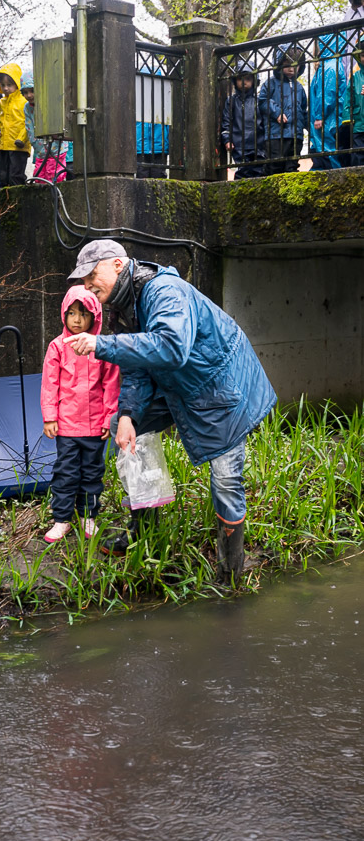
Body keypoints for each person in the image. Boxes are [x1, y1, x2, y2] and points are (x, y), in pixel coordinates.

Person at [64, 240, 277, 585]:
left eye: (91, 275)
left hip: (221, 385)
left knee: (225, 478)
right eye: (82, 279)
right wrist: (129, 415)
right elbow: (134, 366)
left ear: (118, 264)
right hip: (176, 382)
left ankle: (230, 572)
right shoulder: (121, 306)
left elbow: (171, 347)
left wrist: (101, 344)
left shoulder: (165, 291)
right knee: (132, 432)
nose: (86, 286)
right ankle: (141, 532)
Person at [40, 285, 120, 543]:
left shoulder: (103, 347)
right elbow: (49, 384)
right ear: (64, 314)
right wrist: (50, 416)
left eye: (83, 314)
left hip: (95, 426)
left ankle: (88, 515)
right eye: (72, 313)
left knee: (92, 472)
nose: (76, 319)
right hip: (66, 426)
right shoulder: (57, 347)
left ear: (94, 317)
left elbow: (111, 385)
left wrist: (109, 417)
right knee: (66, 472)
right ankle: (62, 519)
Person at [258, 46, 307, 174]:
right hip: (276, 134)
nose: (291, 69)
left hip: (296, 134)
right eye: (287, 65)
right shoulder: (270, 83)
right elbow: (263, 100)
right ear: (279, 65)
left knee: (292, 166)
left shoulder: (299, 87)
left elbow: (303, 109)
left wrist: (308, 126)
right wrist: (276, 112)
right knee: (275, 165)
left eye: (295, 65)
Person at [221, 61, 266, 179]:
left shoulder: (259, 100)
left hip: (258, 144)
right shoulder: (232, 101)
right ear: (235, 81)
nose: (244, 82)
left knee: (259, 172)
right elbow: (226, 122)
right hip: (239, 144)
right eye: (240, 79)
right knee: (243, 171)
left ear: (253, 81)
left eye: (247, 79)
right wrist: (227, 139)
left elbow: (264, 122)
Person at [309, 33, 348, 170]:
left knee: (328, 153)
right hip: (327, 119)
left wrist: (319, 116)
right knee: (324, 153)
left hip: (327, 121)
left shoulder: (329, 67)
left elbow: (326, 94)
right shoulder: (329, 65)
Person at [21, 69, 68, 183]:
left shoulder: (49, 102)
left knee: (54, 173)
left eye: (32, 91)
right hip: (40, 148)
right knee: (40, 174)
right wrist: (35, 143)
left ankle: (56, 195)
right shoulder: (27, 107)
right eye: (25, 92)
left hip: (57, 147)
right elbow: (29, 127)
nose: (29, 95)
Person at [0, 61, 30, 186]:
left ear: (17, 83)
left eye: (9, 84)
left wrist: (21, 139)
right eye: (2, 85)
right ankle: (7, 201)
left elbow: (28, 122)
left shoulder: (24, 101)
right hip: (4, 145)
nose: (6, 88)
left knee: (16, 176)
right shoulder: (1, 102)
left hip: (19, 145)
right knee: (3, 176)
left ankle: (19, 201)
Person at [136, 65, 169, 178]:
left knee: (158, 178)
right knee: (141, 176)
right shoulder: (136, 98)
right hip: (141, 147)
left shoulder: (164, 98)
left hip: (159, 146)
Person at [342, 34, 364, 166]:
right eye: (362, 55)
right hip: (358, 125)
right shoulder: (355, 77)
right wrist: (347, 118)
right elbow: (348, 100)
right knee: (358, 157)